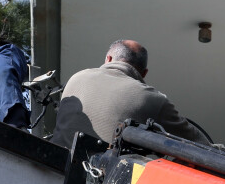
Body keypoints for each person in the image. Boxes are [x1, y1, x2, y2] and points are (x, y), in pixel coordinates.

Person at [55, 39, 209, 147]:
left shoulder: (77, 77)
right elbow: (200, 145)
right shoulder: (152, 99)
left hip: (53, 170)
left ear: (108, 58)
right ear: (144, 73)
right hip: (103, 181)